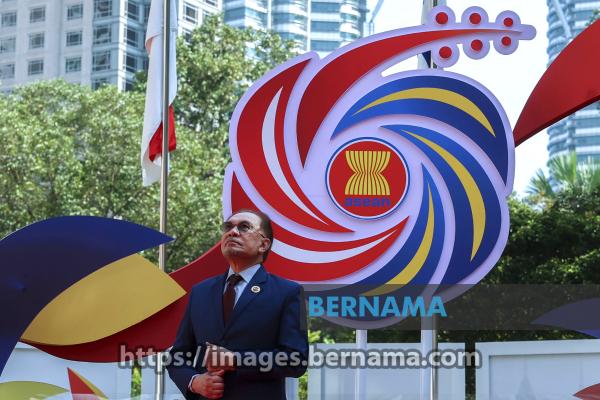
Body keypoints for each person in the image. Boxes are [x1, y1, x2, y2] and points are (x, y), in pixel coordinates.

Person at [166, 209, 308, 399]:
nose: (232, 232)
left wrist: (235, 360)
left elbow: (297, 360)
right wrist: (195, 382)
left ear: (264, 244)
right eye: (228, 227)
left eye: (244, 227)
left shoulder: (288, 292)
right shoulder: (200, 292)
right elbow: (177, 357)